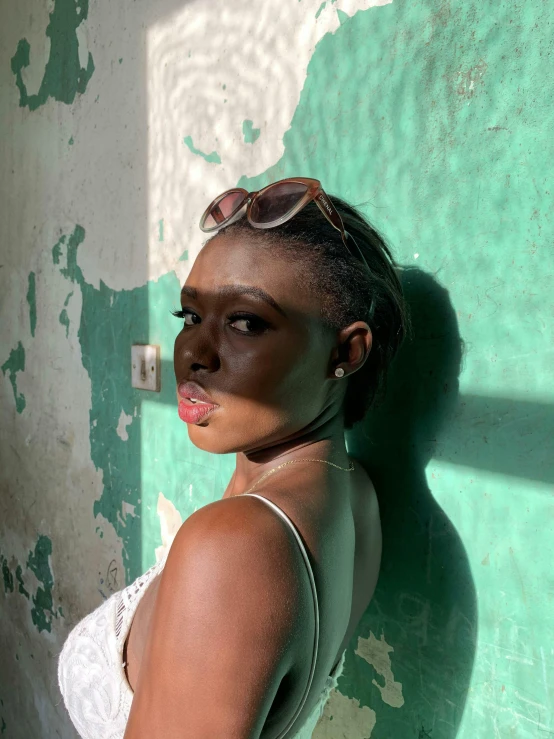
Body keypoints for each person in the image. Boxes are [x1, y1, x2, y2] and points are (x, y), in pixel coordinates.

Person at [58, 177, 408, 738]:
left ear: (346, 352)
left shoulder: (234, 547)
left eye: (245, 322)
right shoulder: (354, 495)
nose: (194, 353)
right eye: (190, 317)